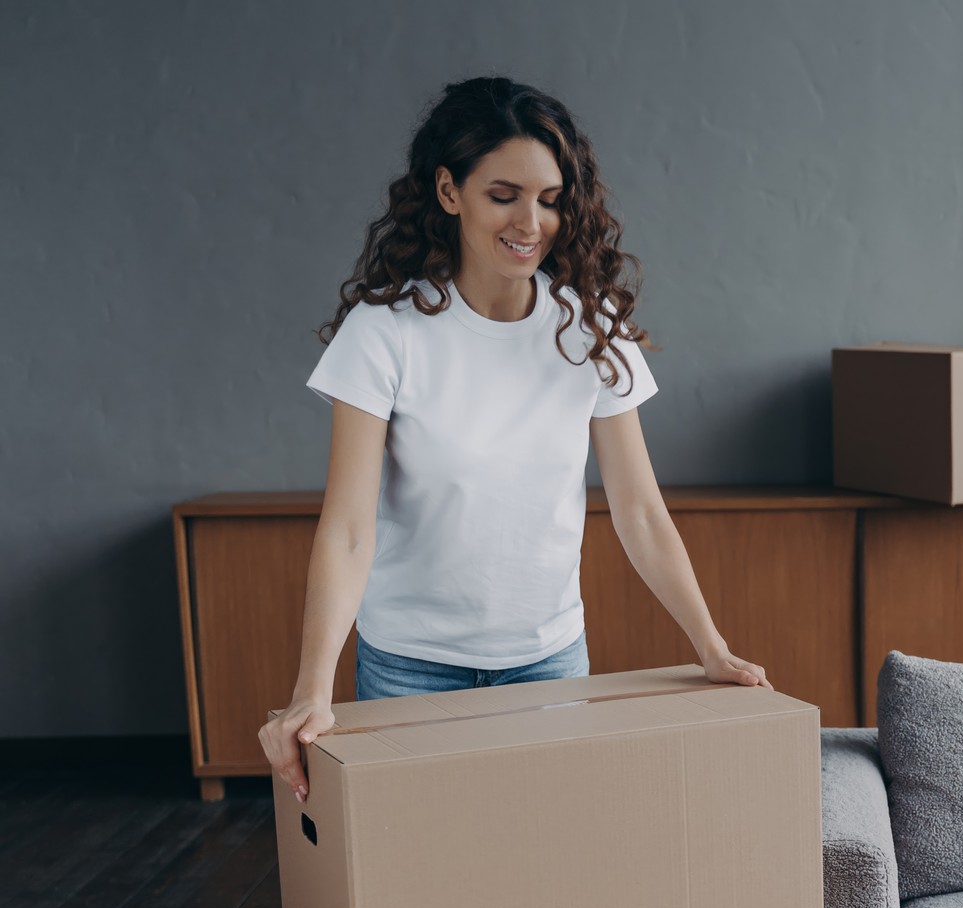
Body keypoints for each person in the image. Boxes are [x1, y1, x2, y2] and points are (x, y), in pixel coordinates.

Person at [261, 77, 766, 804]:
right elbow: (346, 529)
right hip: (411, 668)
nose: (532, 220)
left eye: (552, 198)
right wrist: (311, 689)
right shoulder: (385, 333)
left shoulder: (591, 330)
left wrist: (711, 648)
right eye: (504, 194)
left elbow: (641, 512)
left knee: (543, 882)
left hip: (549, 664)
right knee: (428, 880)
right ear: (448, 190)